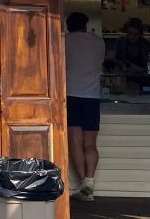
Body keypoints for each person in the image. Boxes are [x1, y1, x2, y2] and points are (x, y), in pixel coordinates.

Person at [65, 11, 106, 203]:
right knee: (90, 143)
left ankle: (83, 183)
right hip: (92, 96)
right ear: (85, 25)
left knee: (75, 141)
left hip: (71, 94)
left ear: (68, 26)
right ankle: (89, 181)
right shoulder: (99, 42)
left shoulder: (64, 41)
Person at [114, 18, 150, 96]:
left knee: (145, 99)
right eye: (129, 33)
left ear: (141, 34)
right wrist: (122, 65)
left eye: (136, 34)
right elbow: (116, 58)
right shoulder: (121, 41)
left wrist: (141, 69)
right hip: (126, 78)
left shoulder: (148, 44)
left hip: (144, 80)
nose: (132, 37)